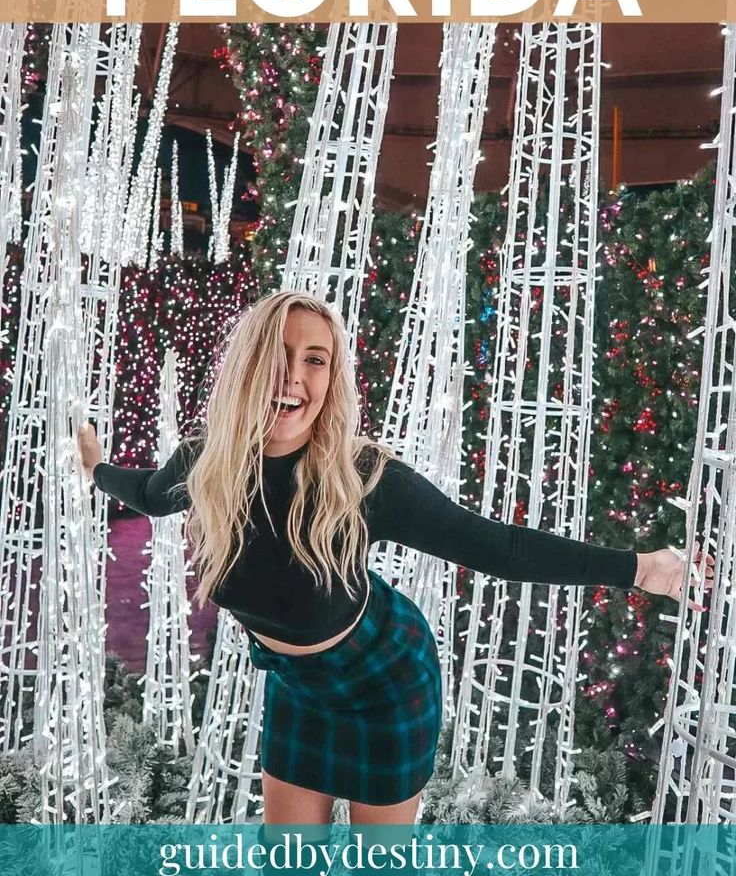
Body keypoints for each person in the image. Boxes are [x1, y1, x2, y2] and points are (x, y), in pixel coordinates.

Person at [77, 290, 713, 831]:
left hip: (387, 683)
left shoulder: (363, 478)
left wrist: (643, 568)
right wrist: (96, 466)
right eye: (278, 357)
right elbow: (143, 492)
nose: (294, 379)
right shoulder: (202, 466)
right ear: (246, 366)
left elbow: (496, 547)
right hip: (299, 691)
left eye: (315, 361)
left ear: (332, 379)